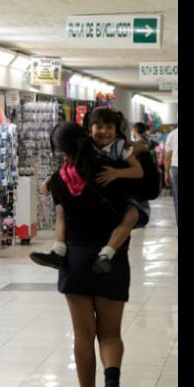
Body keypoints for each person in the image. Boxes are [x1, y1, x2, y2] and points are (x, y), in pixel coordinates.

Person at [43, 121, 132, 387]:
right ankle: (112, 384)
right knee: (110, 334)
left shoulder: (59, 179)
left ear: (60, 151)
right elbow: (133, 211)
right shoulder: (113, 169)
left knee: (83, 336)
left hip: (76, 260)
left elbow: (61, 220)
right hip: (111, 261)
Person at [31, 109, 144, 273]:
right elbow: (70, 164)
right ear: (89, 130)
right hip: (89, 237)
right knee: (60, 210)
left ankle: (107, 253)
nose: (104, 132)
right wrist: (53, 179)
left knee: (132, 215)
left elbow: (138, 171)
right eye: (99, 127)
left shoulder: (121, 147)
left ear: (116, 130)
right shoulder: (86, 144)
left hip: (122, 195)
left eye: (109, 127)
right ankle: (58, 250)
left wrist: (116, 173)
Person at [164, 126, 178, 225]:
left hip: (175, 169)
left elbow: (167, 157)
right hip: (174, 169)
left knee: (177, 199)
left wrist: (166, 173)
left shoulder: (172, 135)